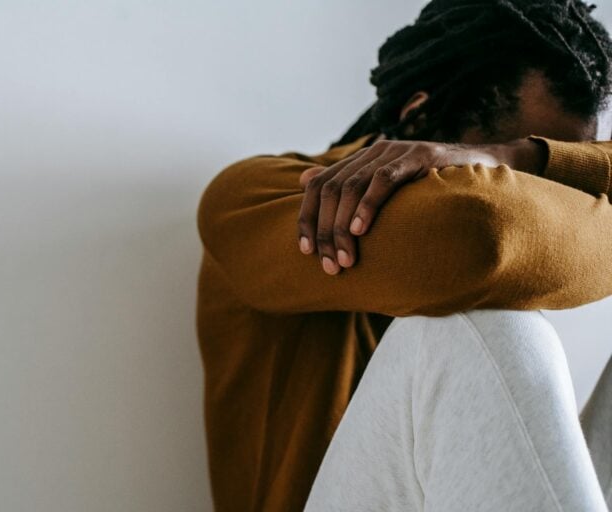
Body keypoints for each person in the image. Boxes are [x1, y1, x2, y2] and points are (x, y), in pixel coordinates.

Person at [196, 0, 612, 510]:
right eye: (515, 181)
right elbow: (479, 238)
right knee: (471, 327)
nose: (544, 204)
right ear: (417, 117)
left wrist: (520, 157)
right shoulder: (258, 198)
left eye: (562, 180)